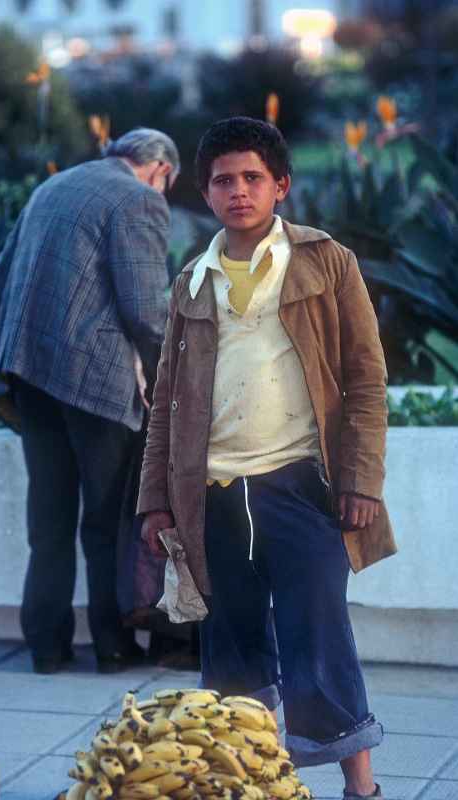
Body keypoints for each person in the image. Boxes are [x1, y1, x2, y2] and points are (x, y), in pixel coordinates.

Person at [138, 117, 396, 800]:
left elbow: (366, 378)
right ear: (205, 192)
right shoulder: (192, 281)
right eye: (223, 180)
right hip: (212, 496)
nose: (239, 191)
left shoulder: (325, 261)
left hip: (302, 486)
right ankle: (248, 783)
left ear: (280, 185)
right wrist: (155, 500)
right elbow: (165, 402)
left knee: (320, 638)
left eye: (253, 177)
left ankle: (361, 788)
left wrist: (361, 478)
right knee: (230, 648)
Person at [0, 128, 180, 675]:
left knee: (48, 520)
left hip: (28, 376)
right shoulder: (139, 198)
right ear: (160, 170)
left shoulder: (52, 188)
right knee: (104, 522)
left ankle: (46, 646)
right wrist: (169, 377)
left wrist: (42, 336)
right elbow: (146, 313)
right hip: (96, 384)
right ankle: (112, 646)